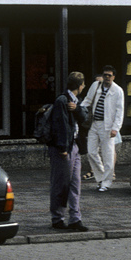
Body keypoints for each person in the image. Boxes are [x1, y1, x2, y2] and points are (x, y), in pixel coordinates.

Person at [47, 72, 88, 231]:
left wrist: (76, 109)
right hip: (64, 147)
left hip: (75, 146)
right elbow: (60, 125)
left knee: (75, 183)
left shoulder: (75, 101)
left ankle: (75, 219)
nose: (83, 87)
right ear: (79, 86)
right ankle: (57, 218)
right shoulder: (62, 100)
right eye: (83, 84)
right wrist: (62, 148)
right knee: (61, 184)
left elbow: (84, 116)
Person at [81, 65, 125, 192]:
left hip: (108, 126)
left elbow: (119, 111)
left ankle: (106, 183)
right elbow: (87, 100)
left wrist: (115, 128)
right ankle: (101, 177)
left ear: (113, 77)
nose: (106, 77)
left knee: (108, 154)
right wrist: (79, 111)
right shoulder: (96, 85)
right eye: (105, 74)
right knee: (91, 152)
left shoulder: (118, 91)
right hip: (94, 124)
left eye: (109, 75)